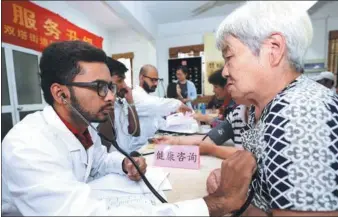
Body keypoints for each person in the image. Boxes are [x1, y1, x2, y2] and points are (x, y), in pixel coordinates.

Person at [1, 40, 257, 216]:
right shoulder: (27, 145)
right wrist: (209, 206)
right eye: (100, 87)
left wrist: (123, 164)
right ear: (61, 94)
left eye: (110, 86)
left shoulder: (85, 127)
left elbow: (99, 161)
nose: (111, 96)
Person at [214, 1, 338, 216]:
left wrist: (231, 200)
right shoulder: (259, 109)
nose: (224, 72)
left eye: (229, 57)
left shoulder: (300, 113)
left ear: (273, 49)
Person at [129, 64, 192, 152]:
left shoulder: (147, 96)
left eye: (157, 80)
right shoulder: (135, 95)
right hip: (136, 149)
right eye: (152, 80)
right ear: (142, 78)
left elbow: (157, 121)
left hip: (148, 145)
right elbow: (155, 105)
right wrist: (178, 104)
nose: (155, 84)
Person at [97, 57, 140, 152]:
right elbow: (104, 144)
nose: (124, 85)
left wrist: (130, 102)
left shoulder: (119, 102)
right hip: (110, 163)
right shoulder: (99, 107)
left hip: (124, 159)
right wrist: (109, 103)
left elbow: (135, 131)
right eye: (120, 81)